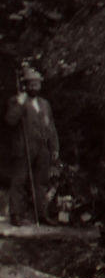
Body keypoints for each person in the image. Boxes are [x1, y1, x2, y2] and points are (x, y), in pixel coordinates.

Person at [5, 69, 59, 226]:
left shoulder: (45, 104)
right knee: (19, 180)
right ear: (26, 86)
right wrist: (20, 104)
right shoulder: (16, 101)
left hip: (43, 149)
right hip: (24, 147)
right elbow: (10, 120)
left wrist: (54, 148)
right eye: (31, 84)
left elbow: (51, 127)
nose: (34, 87)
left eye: (37, 84)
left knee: (41, 182)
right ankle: (16, 214)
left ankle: (42, 214)